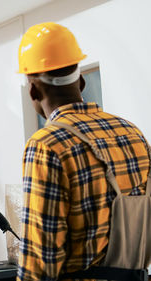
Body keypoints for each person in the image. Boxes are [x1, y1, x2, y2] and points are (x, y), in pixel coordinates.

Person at [17, 22, 151, 280]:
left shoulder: (46, 145)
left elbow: (40, 263)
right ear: (81, 81)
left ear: (33, 90)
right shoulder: (133, 133)